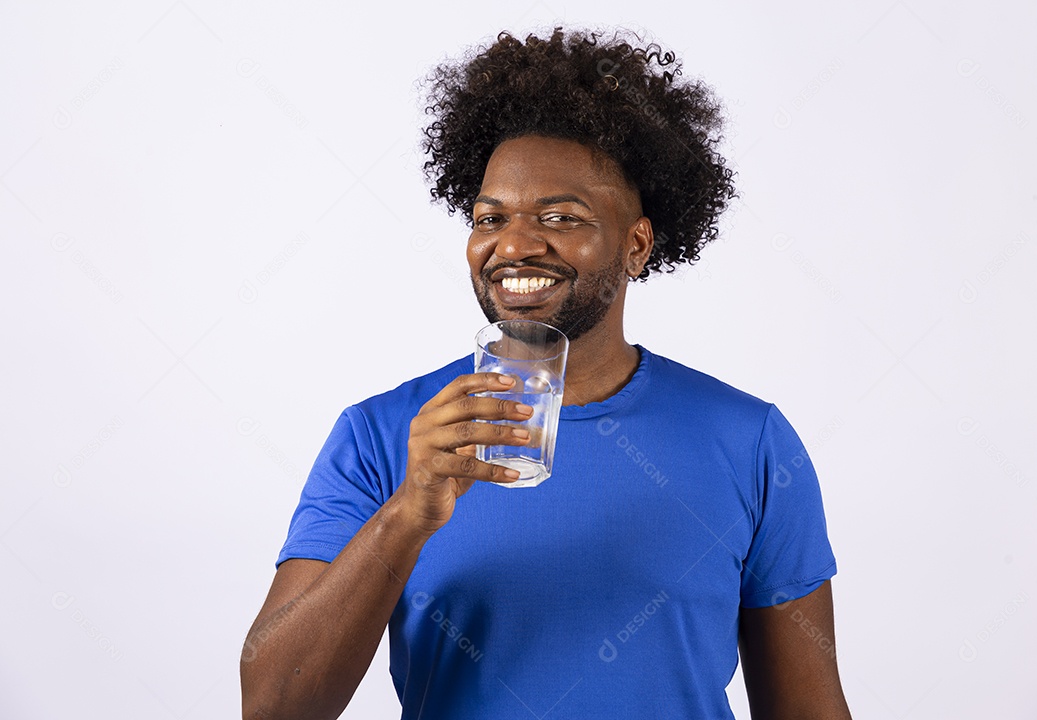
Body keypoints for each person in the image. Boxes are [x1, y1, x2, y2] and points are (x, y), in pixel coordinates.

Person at [241, 27, 851, 720]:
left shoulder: (750, 441)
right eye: (489, 217)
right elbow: (274, 707)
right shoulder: (381, 436)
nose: (515, 244)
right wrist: (408, 514)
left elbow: (808, 709)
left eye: (561, 216)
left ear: (637, 244)